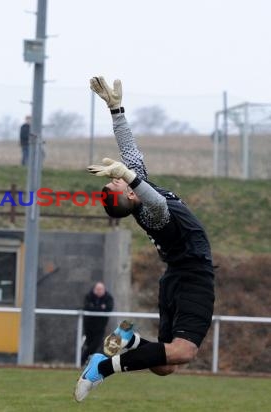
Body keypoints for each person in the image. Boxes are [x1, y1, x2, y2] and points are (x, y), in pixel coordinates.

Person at [75, 76, 215, 402]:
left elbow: (130, 152)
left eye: (115, 180)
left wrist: (115, 110)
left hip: (175, 279)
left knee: (165, 365)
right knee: (184, 353)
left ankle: (131, 341)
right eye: (117, 183)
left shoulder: (139, 191)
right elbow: (157, 201)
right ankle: (102, 366)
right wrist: (126, 176)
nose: (117, 177)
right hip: (194, 276)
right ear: (130, 197)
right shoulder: (151, 210)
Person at [81, 282, 114, 365]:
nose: (99, 291)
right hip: (88, 326)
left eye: (101, 289)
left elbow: (109, 308)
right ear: (94, 289)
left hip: (100, 327)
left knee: (95, 345)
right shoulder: (89, 296)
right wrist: (101, 308)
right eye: (97, 289)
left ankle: (82, 359)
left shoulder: (108, 297)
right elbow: (87, 307)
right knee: (89, 344)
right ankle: (88, 363)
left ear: (104, 290)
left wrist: (94, 308)